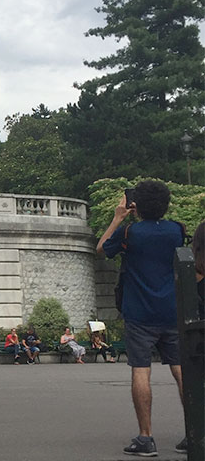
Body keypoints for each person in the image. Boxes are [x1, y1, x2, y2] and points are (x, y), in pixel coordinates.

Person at [97, 180, 186, 456]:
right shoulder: (177, 231)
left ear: (136, 204)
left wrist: (118, 217)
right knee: (182, 370)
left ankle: (146, 437)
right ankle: (196, 430)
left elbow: (101, 249)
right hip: (172, 309)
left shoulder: (130, 232)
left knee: (140, 370)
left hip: (139, 312)